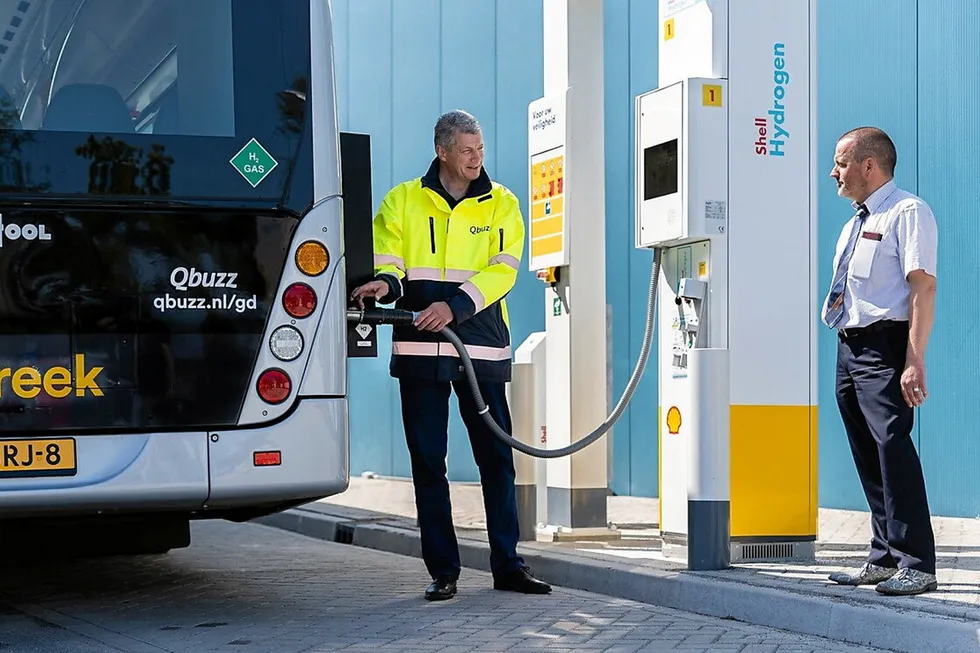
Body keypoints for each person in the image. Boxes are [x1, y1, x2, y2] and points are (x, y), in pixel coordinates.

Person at [350, 109, 551, 601]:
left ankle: (508, 565)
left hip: (479, 348)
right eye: (467, 150)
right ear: (442, 151)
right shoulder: (403, 201)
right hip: (420, 350)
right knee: (428, 461)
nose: (476, 158)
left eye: (480, 149)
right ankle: (444, 570)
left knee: (496, 459)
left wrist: (454, 306)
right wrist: (384, 284)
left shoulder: (501, 203)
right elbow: (389, 257)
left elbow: (504, 270)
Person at [821, 126, 938, 596]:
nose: (835, 173)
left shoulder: (907, 212)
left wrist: (914, 359)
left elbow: (922, 288)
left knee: (893, 446)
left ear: (869, 165)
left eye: (841, 163)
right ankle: (885, 556)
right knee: (867, 451)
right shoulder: (855, 222)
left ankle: (918, 563)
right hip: (849, 347)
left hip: (885, 347)